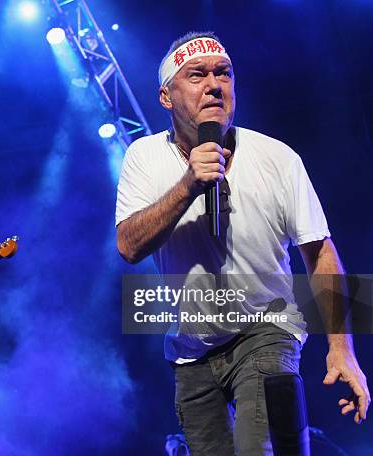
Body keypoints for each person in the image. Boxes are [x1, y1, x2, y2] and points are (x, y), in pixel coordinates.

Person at [116, 31, 370, 455]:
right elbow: (128, 246)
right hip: (191, 349)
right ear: (166, 96)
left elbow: (321, 253)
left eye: (224, 74)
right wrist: (189, 184)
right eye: (197, 75)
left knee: (260, 448)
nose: (215, 85)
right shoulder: (143, 156)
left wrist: (343, 350)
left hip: (267, 329)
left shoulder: (278, 158)